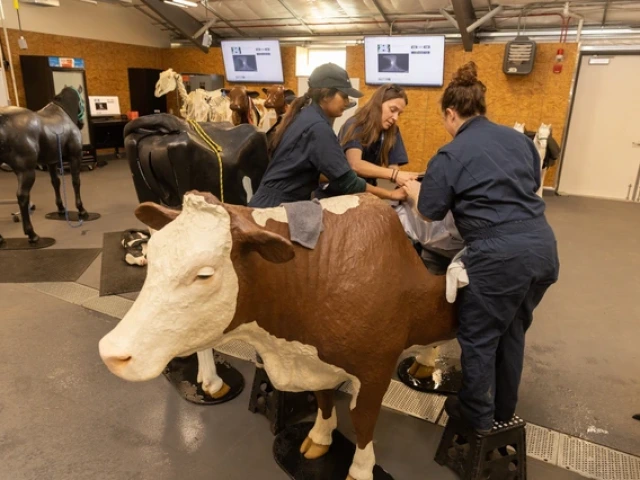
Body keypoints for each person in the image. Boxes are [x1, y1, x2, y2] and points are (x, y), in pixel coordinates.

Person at [403, 62, 560, 434]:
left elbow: (429, 213)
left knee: (479, 337)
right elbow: (523, 185)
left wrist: (412, 191)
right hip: (542, 247)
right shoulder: (521, 142)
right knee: (512, 330)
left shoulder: (449, 153)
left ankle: (474, 420)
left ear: (451, 113)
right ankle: (503, 411)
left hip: (499, 256)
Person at [249, 63, 407, 208]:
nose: (346, 102)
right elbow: (349, 182)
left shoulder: (305, 116)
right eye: (344, 96)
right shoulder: (318, 128)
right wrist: (391, 194)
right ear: (325, 95)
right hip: (276, 208)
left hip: (275, 203)